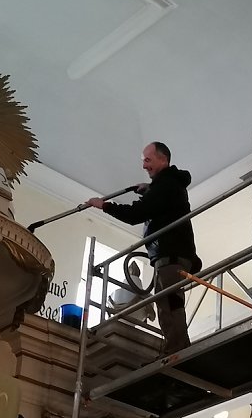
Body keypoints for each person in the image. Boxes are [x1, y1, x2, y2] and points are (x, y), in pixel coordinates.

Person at [86, 142, 201, 355]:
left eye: (148, 160)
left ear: (163, 160)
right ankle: (177, 347)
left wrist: (105, 205)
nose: (144, 166)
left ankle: (176, 350)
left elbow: (135, 214)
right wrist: (150, 190)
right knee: (170, 302)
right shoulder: (169, 185)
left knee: (168, 303)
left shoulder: (166, 184)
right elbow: (161, 205)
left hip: (170, 254)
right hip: (173, 254)